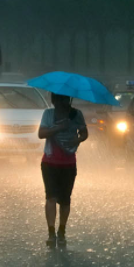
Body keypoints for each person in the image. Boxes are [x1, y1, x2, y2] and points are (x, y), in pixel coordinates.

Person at [38, 93, 88, 247]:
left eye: (65, 99)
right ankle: (51, 232)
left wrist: (78, 139)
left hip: (68, 163)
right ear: (54, 101)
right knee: (51, 197)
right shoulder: (48, 114)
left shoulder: (76, 114)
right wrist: (59, 127)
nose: (62, 103)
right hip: (50, 162)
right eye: (59, 100)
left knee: (65, 200)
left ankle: (62, 230)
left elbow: (84, 133)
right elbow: (41, 134)